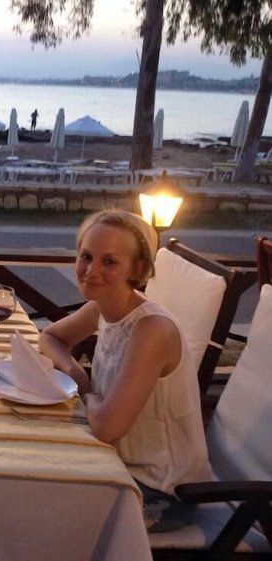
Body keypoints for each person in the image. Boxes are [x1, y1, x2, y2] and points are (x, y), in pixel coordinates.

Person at [37, 209, 210, 533]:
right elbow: (50, 337)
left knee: (35, 508)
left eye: (109, 262)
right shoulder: (102, 307)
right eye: (86, 256)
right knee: (26, 467)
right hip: (112, 462)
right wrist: (74, 371)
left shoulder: (151, 329)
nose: (92, 271)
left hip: (161, 490)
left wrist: (84, 390)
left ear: (138, 270)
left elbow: (106, 427)